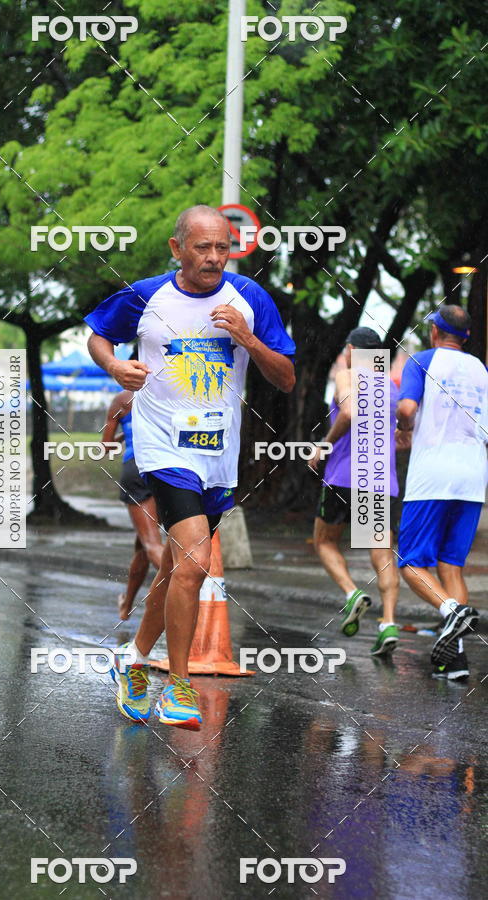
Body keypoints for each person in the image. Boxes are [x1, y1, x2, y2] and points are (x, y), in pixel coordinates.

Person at [86, 204, 296, 729]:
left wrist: (248, 339)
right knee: (197, 563)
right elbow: (97, 334)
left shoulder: (250, 299)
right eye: (202, 247)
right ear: (177, 248)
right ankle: (177, 687)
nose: (214, 257)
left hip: (217, 456)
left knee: (177, 568)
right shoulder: (146, 295)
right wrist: (114, 365)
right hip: (162, 449)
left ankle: (132, 662)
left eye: (223, 247)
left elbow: (287, 377)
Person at [396, 305, 487, 680]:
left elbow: (406, 407)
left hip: (432, 475)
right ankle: (454, 660)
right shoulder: (481, 370)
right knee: (451, 564)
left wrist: (404, 427)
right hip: (473, 476)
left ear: (435, 331)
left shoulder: (423, 360)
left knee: (411, 562)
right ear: (464, 337)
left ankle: (453, 611)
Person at [310, 327, 401, 657]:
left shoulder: (347, 374)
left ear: (350, 349)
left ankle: (351, 593)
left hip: (344, 475)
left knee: (324, 540)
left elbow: (348, 412)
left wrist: (323, 445)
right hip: (379, 479)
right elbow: (403, 424)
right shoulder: (389, 386)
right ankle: (388, 622)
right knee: (381, 551)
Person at [101, 390, 163, 620]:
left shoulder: (121, 400)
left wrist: (121, 436)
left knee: (151, 544)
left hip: (136, 468)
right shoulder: (169, 390)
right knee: (143, 545)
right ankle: (126, 604)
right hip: (169, 467)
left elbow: (105, 446)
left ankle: (188, 588)